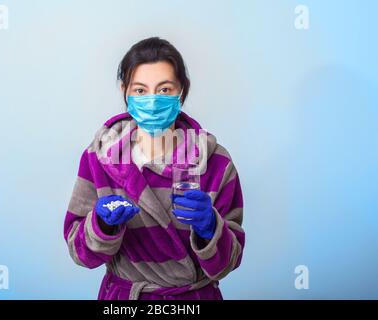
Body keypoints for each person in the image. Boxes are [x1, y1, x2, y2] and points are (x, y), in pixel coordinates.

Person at [63, 37, 245, 300]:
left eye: (164, 89)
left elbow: (229, 263)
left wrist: (210, 227)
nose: (152, 101)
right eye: (140, 90)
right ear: (125, 91)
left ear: (181, 91)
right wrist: (100, 225)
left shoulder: (215, 163)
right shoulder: (99, 158)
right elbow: (79, 253)